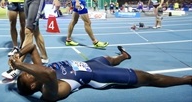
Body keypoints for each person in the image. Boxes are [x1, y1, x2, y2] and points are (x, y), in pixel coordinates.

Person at [10, 43, 192, 101]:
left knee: (110, 59)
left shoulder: (38, 73)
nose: (29, 70)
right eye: (27, 74)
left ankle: (123, 56)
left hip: (91, 63)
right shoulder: (49, 91)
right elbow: (48, 74)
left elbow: (32, 47)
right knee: (147, 78)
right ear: (34, 84)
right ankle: (186, 79)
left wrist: (17, 56)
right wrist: (19, 67)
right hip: (98, 76)